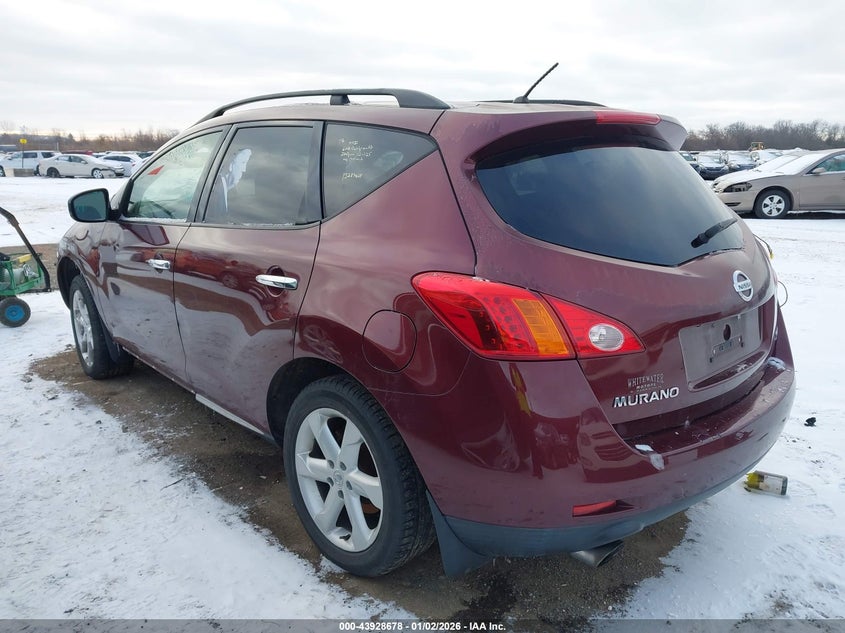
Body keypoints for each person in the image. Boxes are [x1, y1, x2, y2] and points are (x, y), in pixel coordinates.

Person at [206, 148, 252, 221]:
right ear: (231, 164)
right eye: (243, 162)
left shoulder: (226, 189)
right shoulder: (215, 189)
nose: (244, 169)